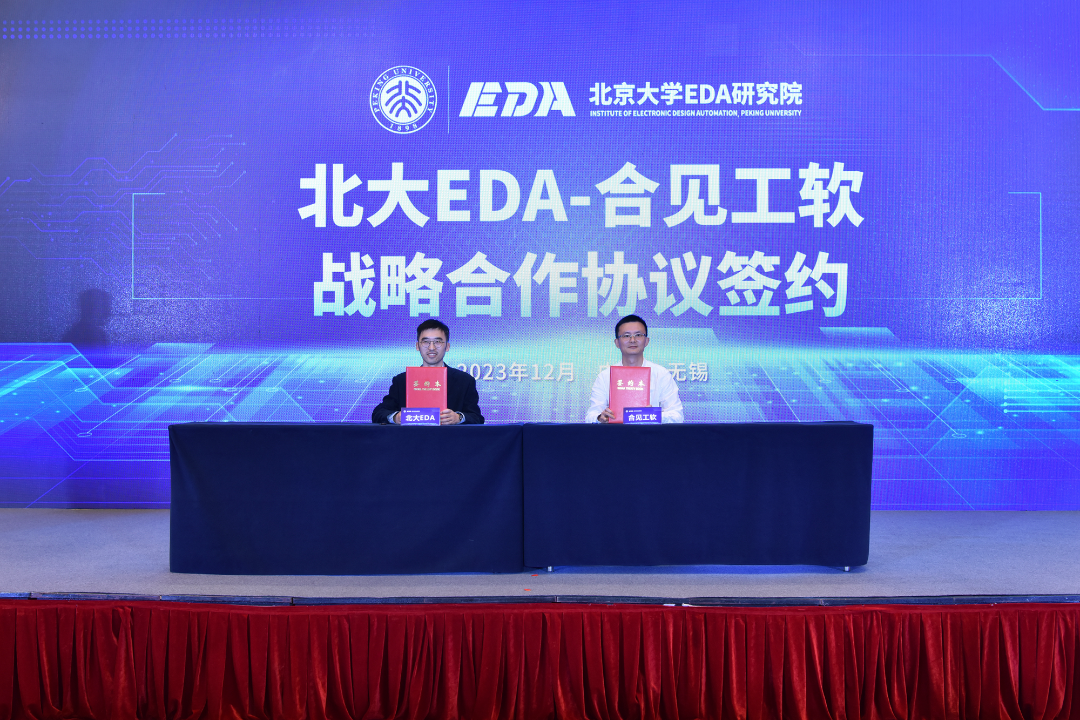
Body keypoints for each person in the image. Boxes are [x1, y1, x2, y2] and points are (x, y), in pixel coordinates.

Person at [371, 319, 484, 425]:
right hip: (412, 438)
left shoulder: (464, 381)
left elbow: (477, 418)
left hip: (449, 438)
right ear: (417, 346)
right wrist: (396, 417)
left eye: (438, 342)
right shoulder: (402, 381)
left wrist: (458, 418)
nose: (431, 347)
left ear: (447, 346)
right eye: (426, 342)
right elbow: (378, 413)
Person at [585, 314, 684, 423]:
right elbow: (590, 416)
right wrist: (600, 418)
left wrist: (653, 415)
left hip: (651, 433)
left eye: (638, 335)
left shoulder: (661, 374)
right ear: (617, 343)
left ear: (646, 341)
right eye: (626, 336)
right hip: (615, 433)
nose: (632, 340)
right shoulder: (606, 376)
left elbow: (677, 416)